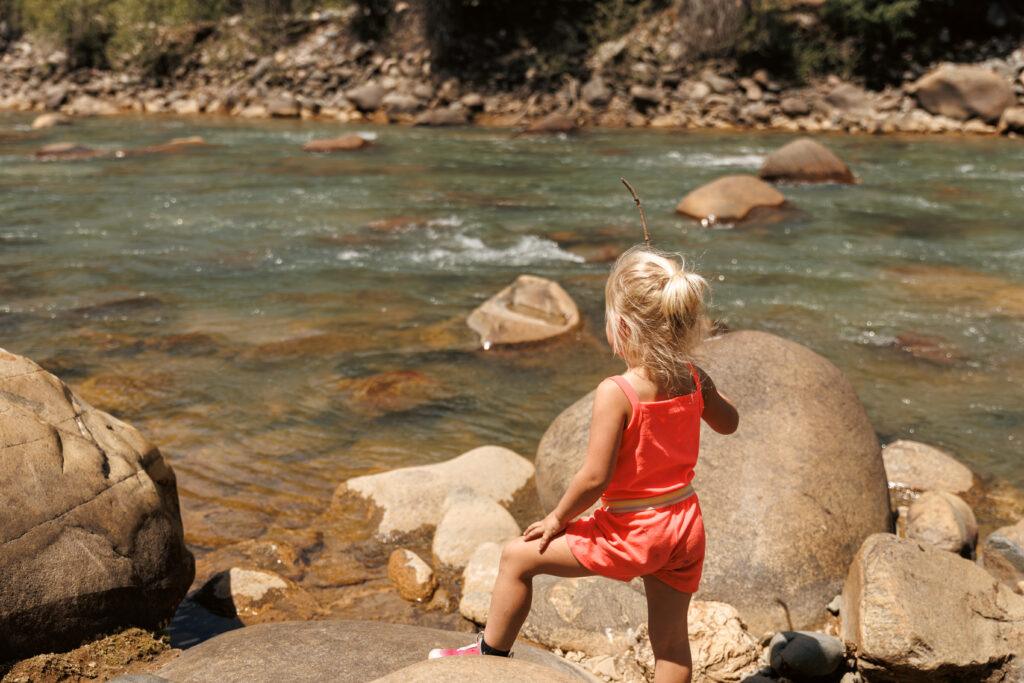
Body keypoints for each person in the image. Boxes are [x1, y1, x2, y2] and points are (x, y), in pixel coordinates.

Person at [429, 246, 739, 683]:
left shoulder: (618, 391)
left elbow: (595, 477)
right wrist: (700, 384)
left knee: (517, 557)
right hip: (684, 524)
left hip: (633, 530)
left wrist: (557, 517)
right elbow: (730, 424)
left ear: (623, 328)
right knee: (670, 644)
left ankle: (490, 654)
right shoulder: (692, 377)